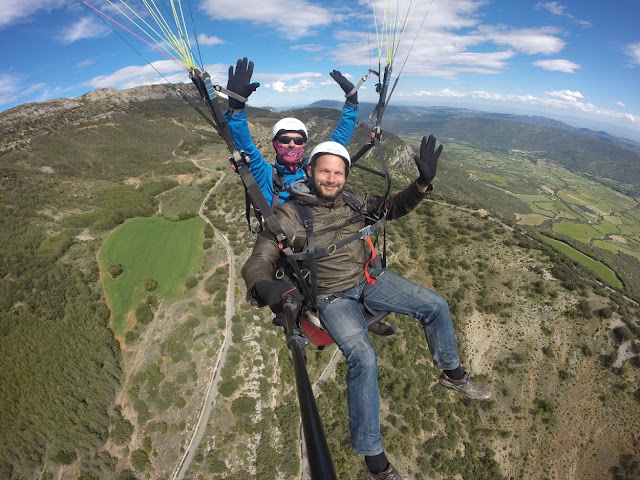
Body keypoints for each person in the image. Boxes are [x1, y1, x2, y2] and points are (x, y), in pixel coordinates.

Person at [241, 136, 491, 479]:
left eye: (338, 173)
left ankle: (454, 375)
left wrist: (422, 184)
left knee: (435, 304)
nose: (331, 179)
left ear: (345, 175)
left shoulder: (353, 199)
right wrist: (268, 289)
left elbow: (393, 207)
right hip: (330, 296)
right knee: (363, 357)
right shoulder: (288, 216)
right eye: (325, 172)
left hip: (368, 280)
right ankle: (375, 462)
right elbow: (258, 263)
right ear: (310, 171)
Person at [224, 57, 359, 207]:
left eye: (298, 140)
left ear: (304, 144)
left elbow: (336, 142)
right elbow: (245, 144)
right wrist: (236, 107)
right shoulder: (265, 175)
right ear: (275, 143)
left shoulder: (314, 168)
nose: (291, 144)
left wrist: (351, 102)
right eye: (285, 139)